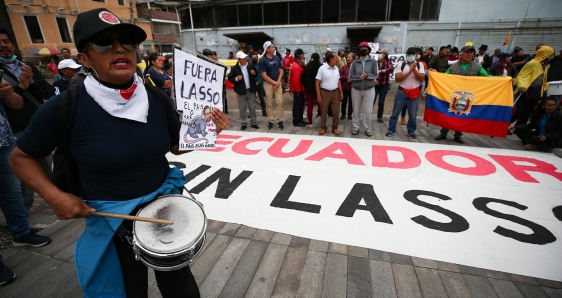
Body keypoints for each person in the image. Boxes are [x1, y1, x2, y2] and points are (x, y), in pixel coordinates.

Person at [9, 8, 228, 297]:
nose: (118, 49)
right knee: (128, 290)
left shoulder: (155, 96)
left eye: (127, 43)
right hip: (113, 221)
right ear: (84, 59)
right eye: (103, 44)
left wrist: (209, 128)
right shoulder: (64, 106)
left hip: (164, 210)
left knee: (181, 288)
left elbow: (175, 145)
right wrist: (55, 196)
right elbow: (20, 158)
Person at [1, 76, 51, 287]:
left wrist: (10, 92)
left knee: (12, 192)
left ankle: (21, 233)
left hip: (3, 141)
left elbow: (17, 104)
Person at [0, 28, 55, 212]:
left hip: (37, 125)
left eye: (6, 41)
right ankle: (24, 212)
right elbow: (9, 103)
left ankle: (60, 199)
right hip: (13, 130)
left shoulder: (27, 67)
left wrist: (31, 82)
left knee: (50, 166)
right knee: (22, 175)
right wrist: (20, 87)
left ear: (12, 44)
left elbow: (48, 93)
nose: (3, 46)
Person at [435, 45, 490, 143]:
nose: (469, 54)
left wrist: (503, 79)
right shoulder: (453, 66)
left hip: (468, 96)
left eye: (471, 53)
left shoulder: (477, 67)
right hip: (454, 95)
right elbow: (444, 78)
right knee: (449, 113)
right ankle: (443, 133)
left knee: (462, 114)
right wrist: (435, 75)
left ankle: (458, 135)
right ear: (461, 54)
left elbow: (488, 78)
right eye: (467, 52)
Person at [385, 47, 425, 139]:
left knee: (412, 114)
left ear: (416, 55)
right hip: (402, 92)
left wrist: (414, 70)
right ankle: (391, 129)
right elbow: (397, 79)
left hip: (414, 93)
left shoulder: (420, 65)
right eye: (409, 54)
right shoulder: (401, 64)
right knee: (395, 112)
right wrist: (409, 73)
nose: (411, 56)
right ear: (406, 55)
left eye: (412, 54)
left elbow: (421, 78)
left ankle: (411, 131)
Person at [512, 46, 555, 126]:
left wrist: (545, 88)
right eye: (549, 54)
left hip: (537, 92)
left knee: (528, 112)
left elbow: (544, 78)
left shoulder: (545, 65)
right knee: (519, 111)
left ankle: (519, 128)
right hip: (526, 90)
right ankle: (506, 124)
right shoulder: (533, 63)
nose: (551, 56)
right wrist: (522, 85)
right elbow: (523, 76)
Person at [349, 41, 378, 136]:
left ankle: (367, 128)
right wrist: (359, 77)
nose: (363, 50)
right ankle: (355, 127)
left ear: (368, 50)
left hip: (369, 89)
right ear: (358, 51)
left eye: (365, 48)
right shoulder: (355, 62)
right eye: (361, 49)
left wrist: (367, 75)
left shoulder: (373, 61)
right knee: (356, 110)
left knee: (368, 111)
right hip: (356, 89)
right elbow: (350, 76)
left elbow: (375, 75)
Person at [228, 51, 259, 130]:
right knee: (242, 108)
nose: (245, 59)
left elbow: (256, 73)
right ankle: (243, 123)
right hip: (241, 91)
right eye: (243, 58)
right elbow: (230, 78)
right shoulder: (235, 68)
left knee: (252, 107)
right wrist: (236, 79)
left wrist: (254, 73)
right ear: (239, 59)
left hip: (250, 90)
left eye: (245, 57)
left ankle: (253, 122)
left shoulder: (250, 65)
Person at [315, 52, 343, 135]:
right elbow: (317, 83)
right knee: (324, 111)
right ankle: (323, 127)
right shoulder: (322, 68)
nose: (337, 60)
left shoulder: (336, 68)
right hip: (325, 92)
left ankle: (335, 128)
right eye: (335, 59)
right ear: (331, 60)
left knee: (336, 111)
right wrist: (318, 95)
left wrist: (341, 92)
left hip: (335, 92)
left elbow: (338, 81)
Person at [258, 41, 284, 130]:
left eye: (274, 47)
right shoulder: (262, 60)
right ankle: (271, 120)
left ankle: (280, 120)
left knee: (279, 102)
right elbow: (264, 75)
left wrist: (278, 82)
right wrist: (274, 83)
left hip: (277, 82)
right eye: (272, 47)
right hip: (268, 84)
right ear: (267, 49)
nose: (274, 48)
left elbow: (281, 71)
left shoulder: (277, 58)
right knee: (269, 103)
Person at [301, 53, 322, 128]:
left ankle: (310, 123)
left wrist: (306, 85)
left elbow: (302, 79)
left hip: (309, 90)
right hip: (319, 90)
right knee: (321, 107)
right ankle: (323, 123)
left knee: (310, 107)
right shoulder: (321, 66)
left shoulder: (307, 67)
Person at [373, 49, 394, 123]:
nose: (379, 54)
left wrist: (381, 71)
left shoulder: (388, 62)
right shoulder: (376, 62)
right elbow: (372, 71)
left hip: (384, 85)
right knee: (372, 100)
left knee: (381, 101)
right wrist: (374, 80)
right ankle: (368, 115)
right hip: (376, 85)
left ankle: (380, 116)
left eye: (381, 53)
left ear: (384, 54)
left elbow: (391, 69)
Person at [290, 49, 307, 127]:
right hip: (298, 89)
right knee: (297, 105)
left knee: (301, 105)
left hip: (301, 88)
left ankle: (300, 119)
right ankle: (296, 121)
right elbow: (296, 80)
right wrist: (297, 91)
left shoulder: (299, 63)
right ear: (300, 55)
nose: (303, 56)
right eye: (303, 54)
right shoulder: (296, 66)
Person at [339, 52, 354, 120]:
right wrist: (346, 77)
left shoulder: (355, 67)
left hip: (353, 88)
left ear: (353, 59)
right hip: (345, 87)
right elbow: (340, 76)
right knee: (344, 102)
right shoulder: (344, 67)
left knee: (351, 102)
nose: (348, 58)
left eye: (349, 57)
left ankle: (350, 114)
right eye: (347, 57)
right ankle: (343, 114)